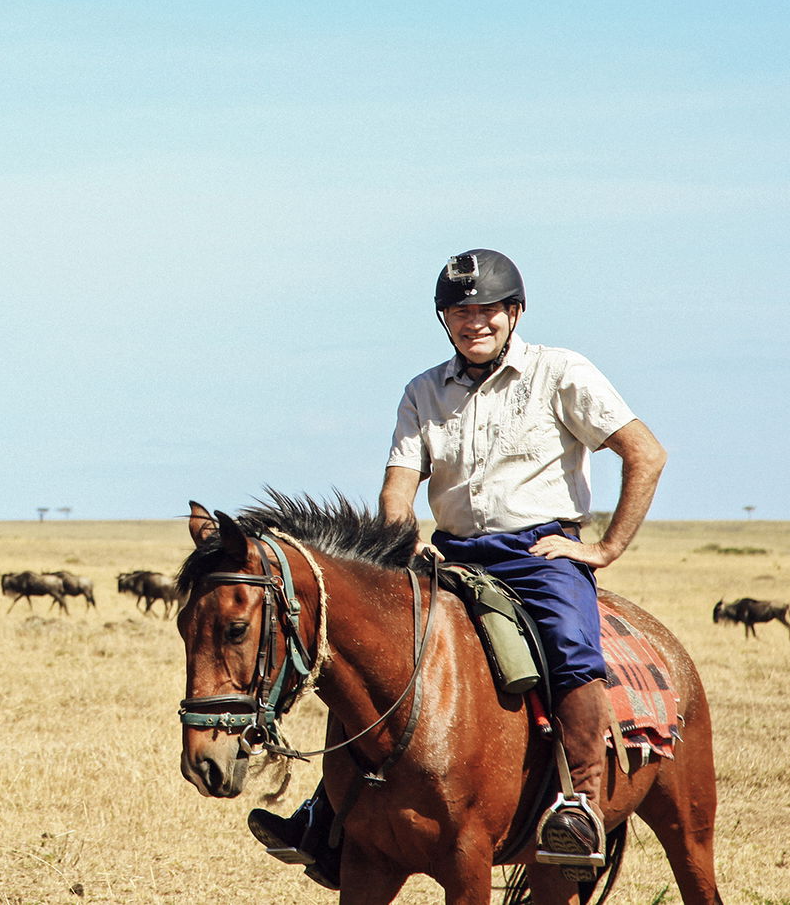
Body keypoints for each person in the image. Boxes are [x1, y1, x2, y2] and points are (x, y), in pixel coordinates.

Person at [248, 248, 667, 888]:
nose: (473, 322)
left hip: (538, 555)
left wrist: (604, 549)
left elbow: (645, 453)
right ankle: (330, 809)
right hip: (447, 553)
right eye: (458, 311)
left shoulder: (561, 373)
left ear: (514, 312)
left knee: (568, 648)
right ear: (444, 319)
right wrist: (402, 539)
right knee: (372, 654)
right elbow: (398, 487)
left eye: (487, 309)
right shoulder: (422, 390)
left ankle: (580, 804)